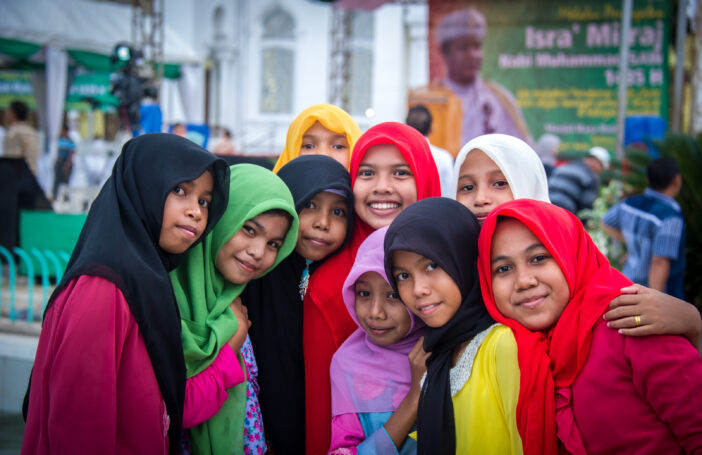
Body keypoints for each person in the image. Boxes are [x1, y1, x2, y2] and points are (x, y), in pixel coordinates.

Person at [21, 133, 231, 454]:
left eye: (204, 200)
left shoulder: (147, 278)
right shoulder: (103, 286)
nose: (196, 212)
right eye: (179, 190)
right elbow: (80, 427)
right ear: (143, 188)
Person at [478, 199, 702, 454]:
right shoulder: (515, 355)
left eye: (539, 258)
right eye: (503, 268)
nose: (524, 281)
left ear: (570, 254)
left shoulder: (632, 320)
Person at [451, 133, 701, 350]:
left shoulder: (575, 266)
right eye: (467, 187)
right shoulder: (450, 274)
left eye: (499, 183)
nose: (481, 198)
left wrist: (691, 321)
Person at [304, 122, 440, 454]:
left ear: (425, 180)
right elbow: (324, 409)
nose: (382, 187)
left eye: (400, 173)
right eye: (366, 173)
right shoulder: (327, 283)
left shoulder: (455, 269)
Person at [171, 164, 299, 455]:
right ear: (221, 218)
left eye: (274, 244)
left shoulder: (236, 302)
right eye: (249, 229)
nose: (258, 252)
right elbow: (179, 408)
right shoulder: (168, 301)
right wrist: (232, 343)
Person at [386, 198, 521, 454]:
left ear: (464, 259)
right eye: (403, 276)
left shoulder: (502, 345)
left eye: (432, 265)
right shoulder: (436, 351)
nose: (418, 290)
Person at [242, 155, 354, 454]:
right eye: (310, 205)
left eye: (339, 211)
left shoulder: (352, 285)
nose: (322, 223)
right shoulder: (253, 271)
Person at [329, 227, 426, 454]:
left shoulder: (451, 350)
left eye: (393, 295)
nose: (375, 313)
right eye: (364, 294)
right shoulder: (348, 364)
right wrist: (414, 398)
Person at [435, 8, 531, 145]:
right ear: (445, 52)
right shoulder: (431, 99)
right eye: (464, 47)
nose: (473, 54)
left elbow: (520, 151)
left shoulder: (500, 99)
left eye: (477, 47)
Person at [601, 156, 686, 299]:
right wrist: (656, 301)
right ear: (676, 180)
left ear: (648, 180)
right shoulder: (670, 217)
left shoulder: (630, 204)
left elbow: (606, 222)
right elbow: (659, 263)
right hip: (653, 295)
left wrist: (634, 243)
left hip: (627, 285)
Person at [273, 104, 363, 172]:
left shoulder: (370, 195)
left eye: (338, 146)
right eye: (308, 146)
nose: (323, 154)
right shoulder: (273, 195)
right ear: (291, 150)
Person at [406, 104, 454, 197]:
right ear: (431, 129)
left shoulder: (398, 155)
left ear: (406, 126)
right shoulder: (444, 157)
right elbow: (449, 193)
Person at [548, 146, 610, 215]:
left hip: (547, 207)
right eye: (601, 167)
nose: (600, 171)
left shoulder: (565, 167)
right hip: (563, 212)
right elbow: (585, 210)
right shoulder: (591, 177)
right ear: (598, 163)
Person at [3, 100, 40, 175]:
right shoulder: (31, 131)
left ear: (13, 114)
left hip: (17, 176)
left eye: (8, 111)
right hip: (28, 175)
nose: (6, 113)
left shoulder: (14, 133)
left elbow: (12, 158)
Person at [53, 123, 76, 198]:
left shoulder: (69, 141)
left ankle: (66, 196)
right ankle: (55, 195)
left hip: (65, 161)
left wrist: (68, 163)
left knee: (66, 180)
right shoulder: (59, 139)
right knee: (57, 179)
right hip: (59, 161)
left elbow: (72, 152)